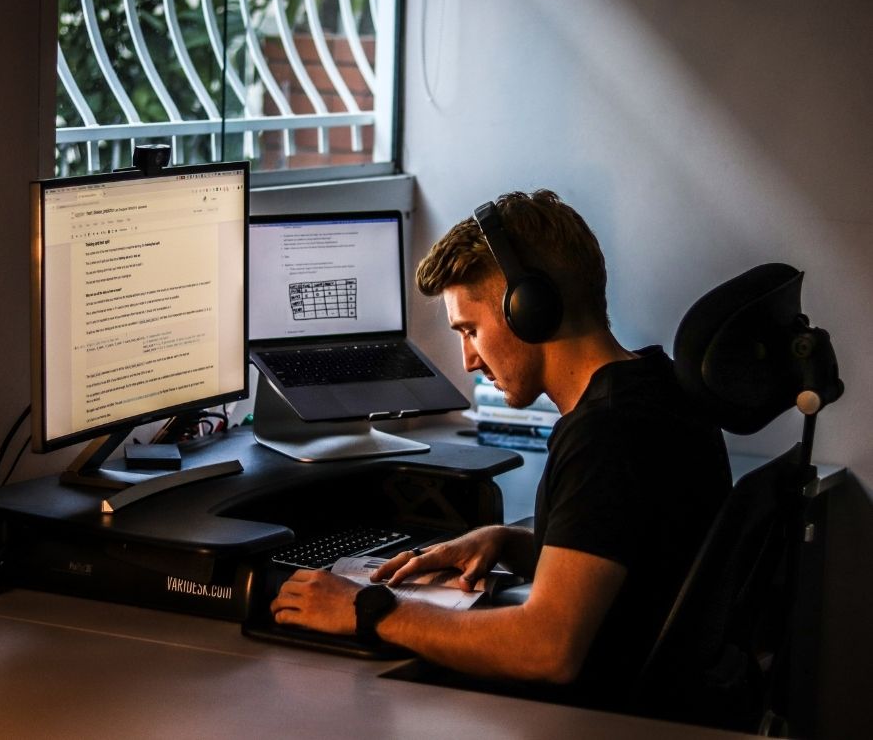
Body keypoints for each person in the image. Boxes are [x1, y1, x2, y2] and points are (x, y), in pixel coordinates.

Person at [270, 189, 731, 709]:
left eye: (470, 330)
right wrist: (510, 542)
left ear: (528, 310)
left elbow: (547, 649)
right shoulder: (656, 388)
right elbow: (636, 557)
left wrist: (370, 609)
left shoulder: (606, 436)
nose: (468, 360)